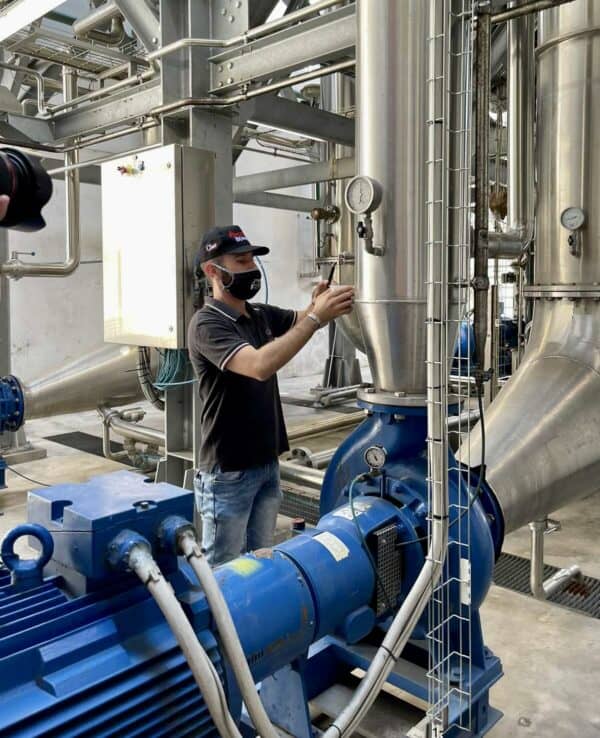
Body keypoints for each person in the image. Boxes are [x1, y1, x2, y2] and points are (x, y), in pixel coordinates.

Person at [188, 225, 354, 565]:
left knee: (260, 562)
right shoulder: (207, 324)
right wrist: (314, 317)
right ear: (212, 271)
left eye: (252, 260)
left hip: (266, 463)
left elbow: (298, 321)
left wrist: (315, 305)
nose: (250, 268)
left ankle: (251, 619)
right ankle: (221, 621)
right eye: (240, 261)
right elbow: (260, 364)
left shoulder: (259, 314)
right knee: (223, 569)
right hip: (229, 472)